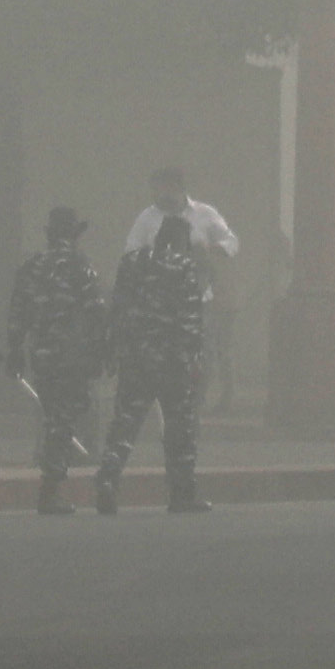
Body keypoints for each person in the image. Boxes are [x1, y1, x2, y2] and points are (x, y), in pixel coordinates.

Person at [101, 206, 216, 515]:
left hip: (135, 358)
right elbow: (191, 318)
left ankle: (108, 480)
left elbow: (117, 308)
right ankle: (181, 494)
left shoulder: (131, 262)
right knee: (179, 427)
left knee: (125, 423)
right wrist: (195, 358)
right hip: (171, 361)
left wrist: (112, 350)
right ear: (182, 242)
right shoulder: (184, 267)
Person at [1, 207, 107, 516]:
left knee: (52, 416)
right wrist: (101, 352)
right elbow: (96, 313)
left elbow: (17, 312)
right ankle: (50, 490)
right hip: (71, 356)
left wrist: (15, 350)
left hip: (42, 355)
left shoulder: (32, 266)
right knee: (64, 419)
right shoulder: (79, 265)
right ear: (74, 235)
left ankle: (51, 484)